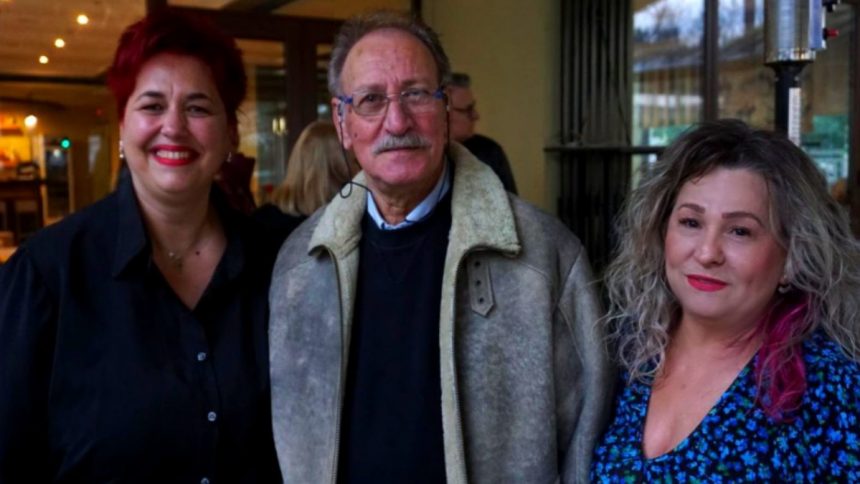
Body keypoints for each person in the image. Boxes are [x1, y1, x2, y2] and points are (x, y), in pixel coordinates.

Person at [268, 10, 612, 484]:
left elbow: (588, 439)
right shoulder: (300, 262)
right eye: (371, 99)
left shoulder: (543, 255)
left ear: (445, 107)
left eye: (415, 94)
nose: (397, 121)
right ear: (343, 123)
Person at [0, 10, 282, 482]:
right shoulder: (46, 277)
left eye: (198, 108)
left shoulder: (278, 263)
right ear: (122, 128)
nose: (173, 126)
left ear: (230, 134)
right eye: (152, 106)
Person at [592, 119, 860, 481]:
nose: (707, 253)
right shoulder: (625, 354)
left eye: (740, 231)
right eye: (691, 222)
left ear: (792, 257)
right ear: (660, 232)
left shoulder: (833, 388)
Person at [254, 120, 358, 242]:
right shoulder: (349, 223)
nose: (359, 169)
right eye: (354, 161)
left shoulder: (262, 221)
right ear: (340, 167)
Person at [448, 72, 518, 194]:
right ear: (444, 113)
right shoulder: (423, 155)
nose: (476, 116)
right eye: (468, 109)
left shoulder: (489, 152)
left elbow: (509, 203)